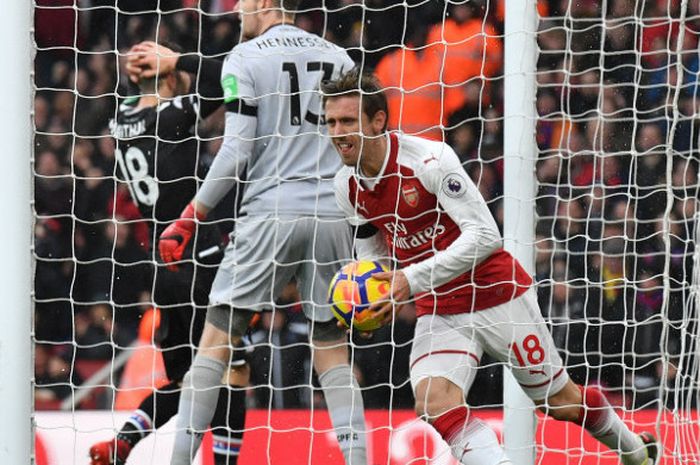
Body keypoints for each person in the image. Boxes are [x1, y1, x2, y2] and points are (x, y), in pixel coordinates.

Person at [322, 70, 659, 465]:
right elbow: (372, 256)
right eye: (330, 122)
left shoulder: (429, 159)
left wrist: (409, 279)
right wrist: (368, 300)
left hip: (495, 292)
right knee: (433, 401)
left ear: (377, 120)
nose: (337, 132)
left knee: (561, 402)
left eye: (347, 121)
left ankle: (633, 450)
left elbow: (485, 237)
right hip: (440, 309)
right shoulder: (345, 186)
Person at [157, 2, 367, 465]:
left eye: (243, 2)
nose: (235, 10)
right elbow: (358, 146)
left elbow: (237, 149)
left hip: (269, 211)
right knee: (330, 349)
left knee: (215, 344)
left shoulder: (244, 58)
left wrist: (191, 215)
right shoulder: (341, 59)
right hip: (332, 214)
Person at [89, 41, 251, 465]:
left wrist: (145, 69)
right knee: (231, 372)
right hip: (200, 252)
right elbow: (232, 80)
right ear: (169, 74)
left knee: (184, 378)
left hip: (161, 262)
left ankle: (123, 441)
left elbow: (135, 92)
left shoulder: (121, 118)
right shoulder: (175, 114)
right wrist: (174, 60)